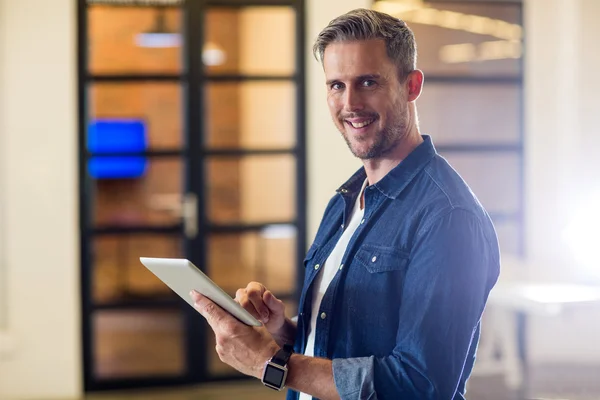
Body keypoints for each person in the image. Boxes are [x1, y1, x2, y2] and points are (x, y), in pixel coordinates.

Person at [190, 8, 500, 400]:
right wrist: (282, 331)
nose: (350, 103)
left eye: (368, 82)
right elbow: (347, 338)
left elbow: (420, 385)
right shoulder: (345, 201)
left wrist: (271, 364)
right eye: (336, 85)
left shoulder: (448, 217)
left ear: (411, 85)